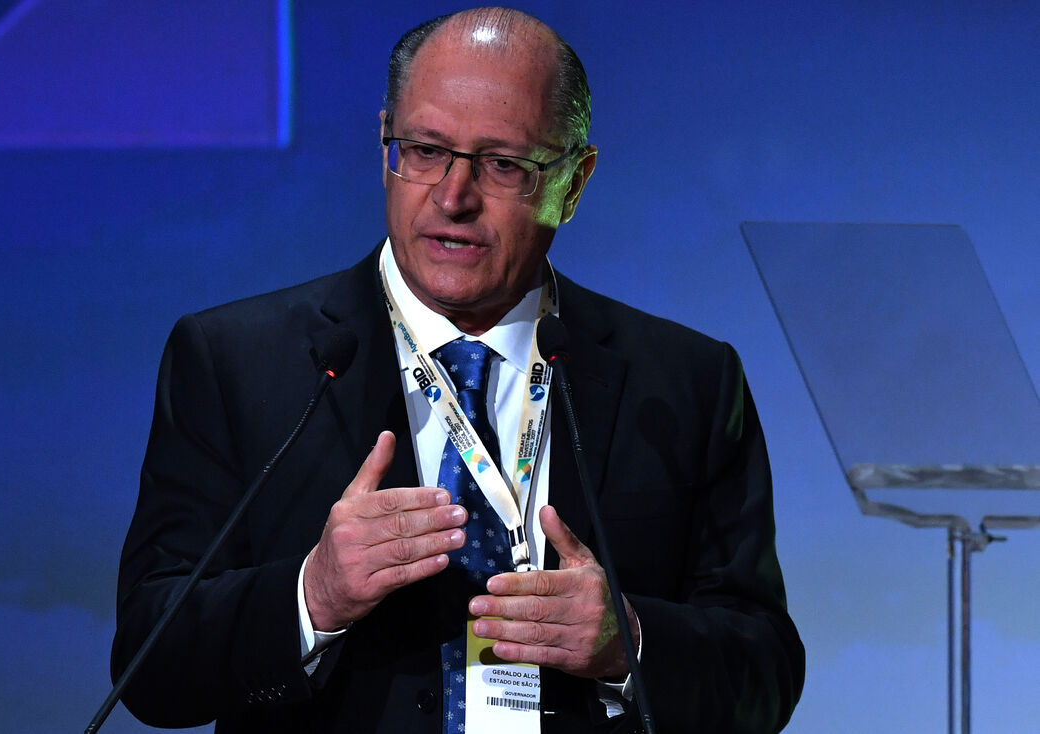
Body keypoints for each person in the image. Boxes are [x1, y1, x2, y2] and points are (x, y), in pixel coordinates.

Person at [112, 7, 804, 733]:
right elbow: (149, 668)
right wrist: (312, 596)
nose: (452, 197)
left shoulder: (685, 384)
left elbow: (764, 674)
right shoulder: (237, 362)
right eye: (424, 150)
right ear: (386, 141)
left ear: (574, 182)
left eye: (503, 164)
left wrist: (626, 643)